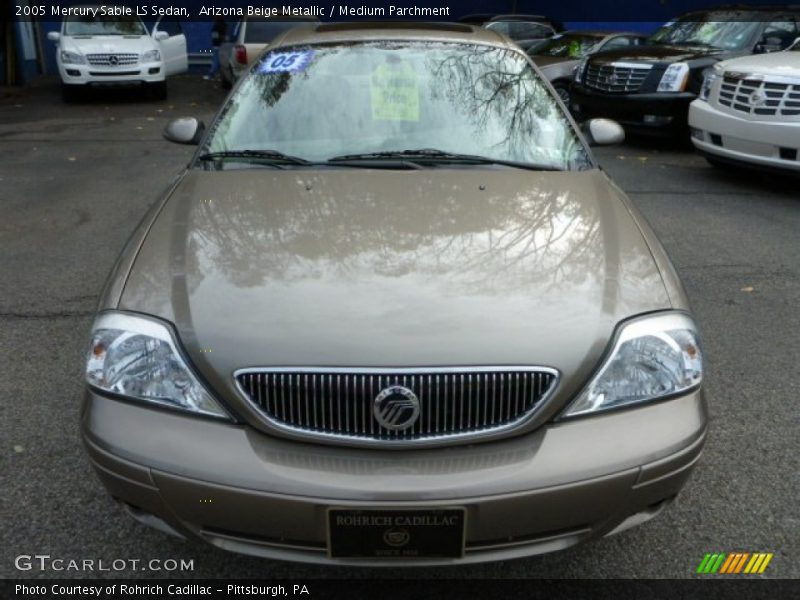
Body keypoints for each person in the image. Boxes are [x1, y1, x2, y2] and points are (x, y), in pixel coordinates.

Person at [204, 16, 227, 80]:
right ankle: (219, 75)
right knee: (220, 61)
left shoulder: (216, 25)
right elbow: (223, 35)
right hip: (223, 45)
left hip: (216, 45)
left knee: (215, 60)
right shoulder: (224, 25)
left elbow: (215, 36)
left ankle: (211, 75)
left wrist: (216, 41)